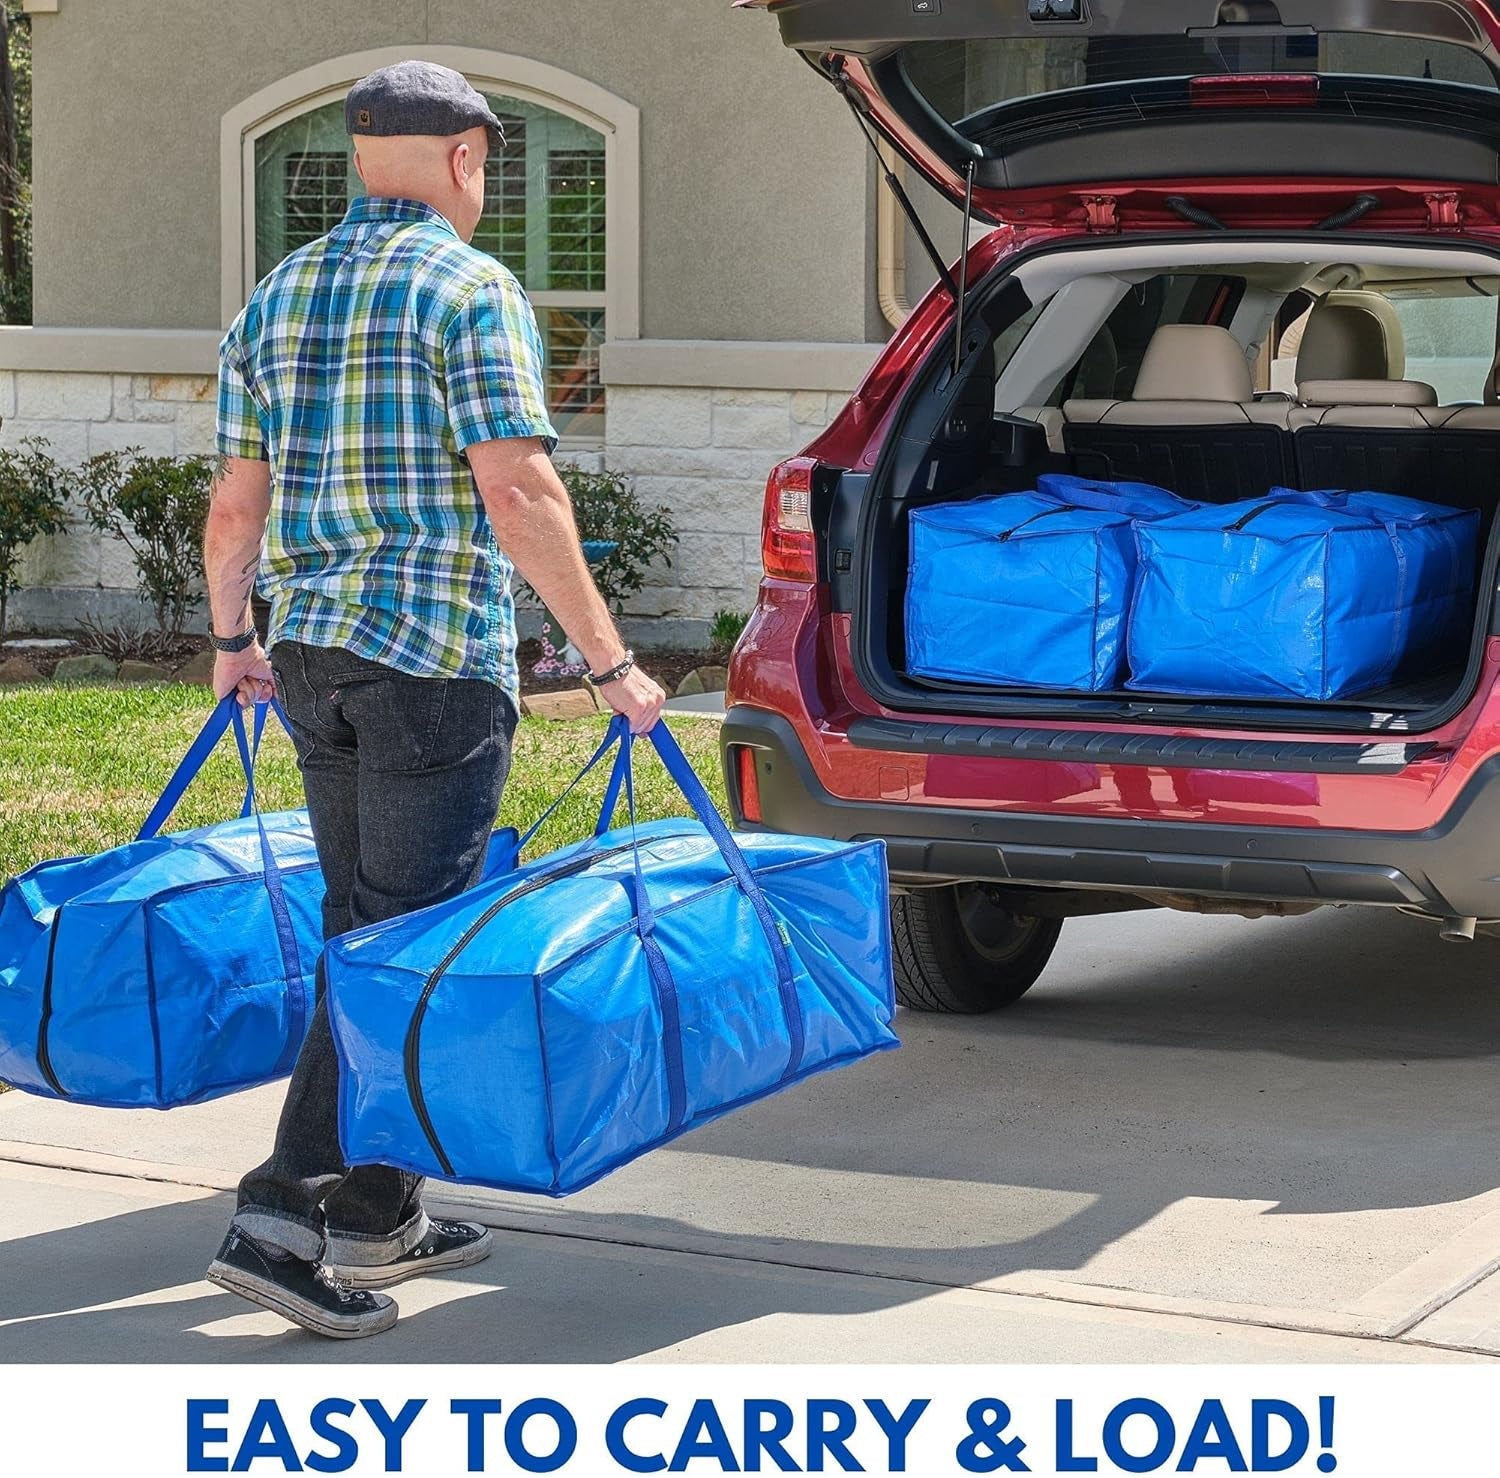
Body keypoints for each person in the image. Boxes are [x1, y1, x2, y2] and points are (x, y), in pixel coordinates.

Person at [199, 60, 665, 1339]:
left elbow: (237, 504)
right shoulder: (472, 289)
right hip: (429, 665)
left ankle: (378, 1206)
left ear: (357, 154)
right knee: (398, 945)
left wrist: (233, 635)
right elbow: (519, 493)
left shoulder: (278, 295)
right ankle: (279, 1216)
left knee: (367, 918)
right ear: (470, 158)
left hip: (314, 656)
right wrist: (611, 660)